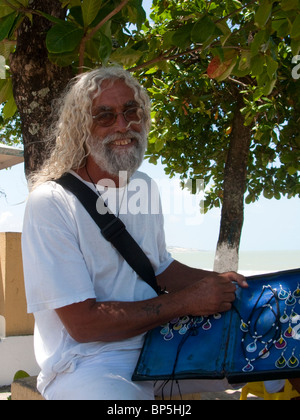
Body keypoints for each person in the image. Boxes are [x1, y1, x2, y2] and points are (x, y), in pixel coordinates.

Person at [22, 67, 248, 400]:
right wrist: (187, 301)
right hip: (89, 366)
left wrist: (221, 284)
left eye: (132, 111)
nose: (123, 125)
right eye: (105, 116)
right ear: (81, 128)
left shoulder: (143, 186)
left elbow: (159, 266)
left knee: (277, 345)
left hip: (162, 344)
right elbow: (83, 325)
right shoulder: (51, 203)